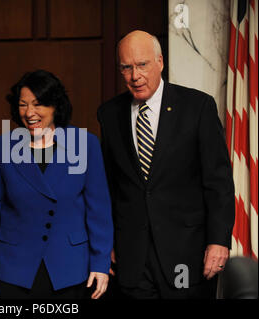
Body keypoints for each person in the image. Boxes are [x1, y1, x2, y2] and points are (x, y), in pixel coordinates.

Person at [97, 30, 235, 299]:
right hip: (132, 256)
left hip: (187, 253)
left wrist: (218, 241)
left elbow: (218, 182)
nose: (135, 76)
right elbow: (109, 186)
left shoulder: (198, 107)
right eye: (126, 67)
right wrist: (107, 243)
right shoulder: (109, 114)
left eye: (142, 65)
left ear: (160, 62)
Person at [0, 70, 113, 299]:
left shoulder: (85, 144)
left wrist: (100, 263)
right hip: (13, 268)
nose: (29, 113)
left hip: (69, 266)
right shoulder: (0, 148)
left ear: (55, 106)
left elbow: (98, 210)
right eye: (22, 105)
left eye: (38, 104)